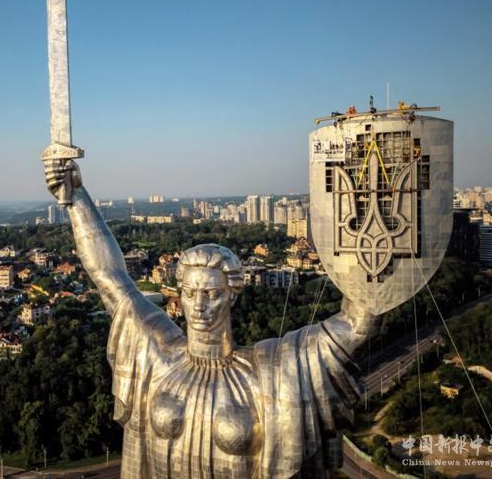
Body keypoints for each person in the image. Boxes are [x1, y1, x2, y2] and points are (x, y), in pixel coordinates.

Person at [44, 160, 377, 478]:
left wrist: (371, 211)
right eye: (190, 293)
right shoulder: (156, 356)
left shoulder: (274, 373)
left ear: (232, 295)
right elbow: (109, 274)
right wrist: (76, 196)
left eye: (212, 294)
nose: (198, 306)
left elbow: (358, 324)